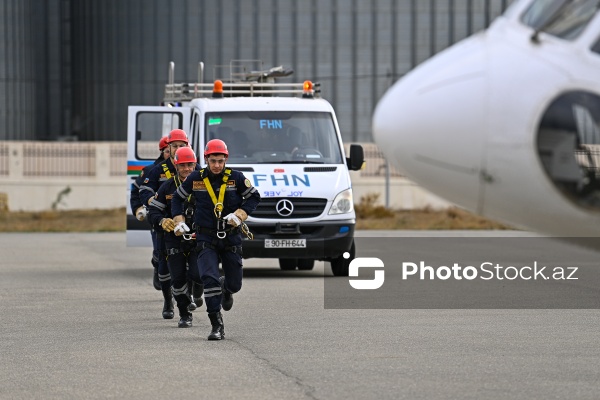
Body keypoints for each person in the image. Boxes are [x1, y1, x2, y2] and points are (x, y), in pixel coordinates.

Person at [171, 139, 260, 340]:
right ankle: (216, 325)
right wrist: (179, 221)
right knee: (209, 279)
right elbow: (177, 198)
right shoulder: (195, 178)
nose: (217, 165)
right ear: (206, 159)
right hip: (205, 237)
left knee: (235, 284)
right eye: (213, 161)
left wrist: (239, 214)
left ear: (226, 159)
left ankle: (226, 288)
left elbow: (254, 197)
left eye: (220, 161)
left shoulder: (236, 178)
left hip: (230, 238)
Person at [147, 147, 203, 328]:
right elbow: (153, 210)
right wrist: (162, 221)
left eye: (190, 165)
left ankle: (200, 292)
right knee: (177, 279)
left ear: (195, 165)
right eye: (183, 165)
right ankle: (185, 314)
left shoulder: (204, 184)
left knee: (197, 273)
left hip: (197, 237)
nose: (187, 169)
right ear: (176, 166)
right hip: (173, 239)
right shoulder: (167, 187)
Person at [139, 128, 189, 319]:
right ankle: (168, 301)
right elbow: (144, 190)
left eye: (181, 146)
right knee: (163, 265)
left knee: (191, 262)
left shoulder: (193, 167)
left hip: (187, 223)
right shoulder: (157, 170)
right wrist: (155, 204)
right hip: (164, 224)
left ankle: (189, 296)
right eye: (174, 146)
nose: (177, 149)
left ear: (187, 146)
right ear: (168, 147)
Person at [129, 136, 170, 291]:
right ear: (162, 152)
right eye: (167, 151)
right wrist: (138, 208)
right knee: (160, 252)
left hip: (180, 217)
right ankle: (157, 265)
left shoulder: (187, 167)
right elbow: (137, 191)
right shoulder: (151, 171)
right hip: (158, 216)